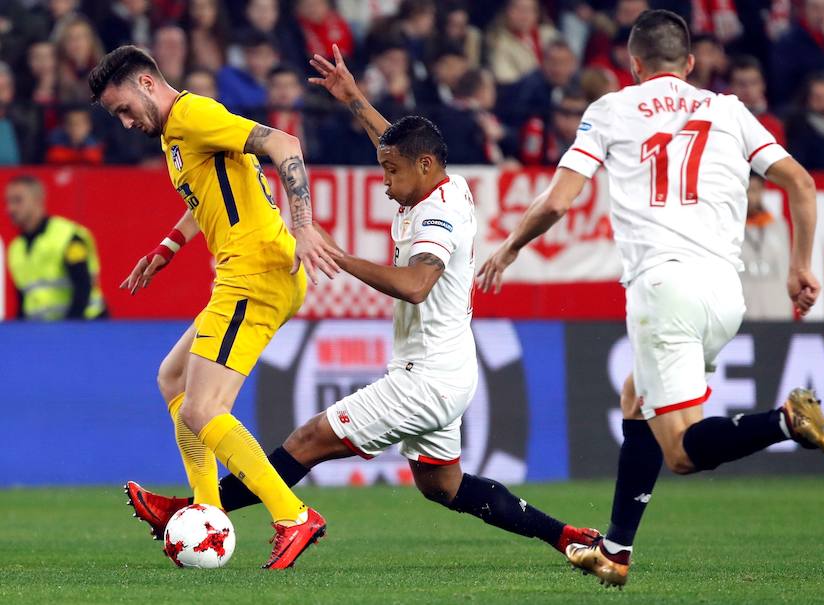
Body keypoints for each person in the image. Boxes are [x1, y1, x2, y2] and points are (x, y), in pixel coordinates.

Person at [126, 43, 601, 564]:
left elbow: (417, 283)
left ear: (423, 167)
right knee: (445, 486)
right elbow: (392, 143)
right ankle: (565, 535)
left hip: (426, 377)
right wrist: (354, 97)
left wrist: (339, 255)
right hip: (451, 366)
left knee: (307, 440)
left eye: (391, 174)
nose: (384, 182)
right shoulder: (441, 180)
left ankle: (242, 515)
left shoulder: (435, 218)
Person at [478, 10, 824, 588]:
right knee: (637, 396)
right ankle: (617, 550)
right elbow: (802, 184)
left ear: (632, 66)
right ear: (690, 64)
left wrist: (508, 249)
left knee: (680, 451)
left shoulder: (610, 108)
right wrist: (800, 265)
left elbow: (557, 202)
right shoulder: (728, 109)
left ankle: (786, 421)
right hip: (725, 294)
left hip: (663, 288)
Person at [88, 45, 340, 569]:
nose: (127, 122)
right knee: (173, 379)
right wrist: (167, 248)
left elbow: (284, 143)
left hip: (257, 275)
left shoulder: (193, 115)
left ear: (148, 84)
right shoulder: (175, 137)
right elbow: (203, 198)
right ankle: (205, 507)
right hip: (241, 275)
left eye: (125, 109)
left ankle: (293, 516)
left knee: (204, 410)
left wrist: (303, 225)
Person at [5, 174, 107, 320]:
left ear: (37, 201)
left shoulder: (68, 237)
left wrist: (68, 330)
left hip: (87, 326)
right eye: (8, 202)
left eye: (17, 200)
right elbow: (23, 299)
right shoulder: (16, 248)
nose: (10, 208)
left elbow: (83, 287)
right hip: (46, 332)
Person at [739, 174, 792, 320]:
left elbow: (785, 269)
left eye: (755, 190)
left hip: (776, 309)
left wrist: (786, 309)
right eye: (747, 190)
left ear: (763, 190)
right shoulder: (731, 227)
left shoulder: (779, 226)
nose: (751, 196)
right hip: (745, 311)